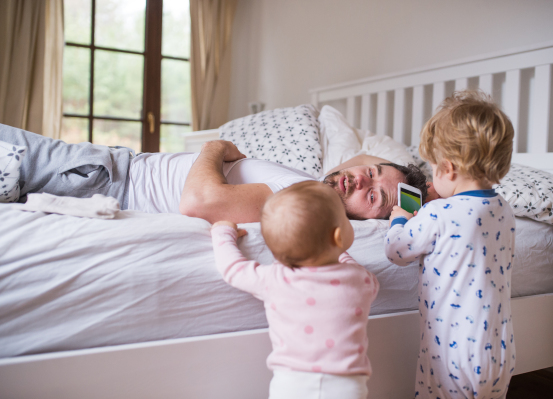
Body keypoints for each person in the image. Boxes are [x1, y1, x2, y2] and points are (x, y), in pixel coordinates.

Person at [0, 123, 430, 223]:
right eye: (370, 171)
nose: (359, 180)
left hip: (105, 178)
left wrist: (215, 148)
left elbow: (198, 202)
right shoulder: (312, 181)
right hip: (109, 168)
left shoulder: (303, 200)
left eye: (372, 196)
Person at [384, 90, 516, 398]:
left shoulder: (437, 212)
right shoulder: (504, 210)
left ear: (448, 168)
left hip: (452, 349)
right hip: (499, 346)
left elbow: (397, 250)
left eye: (432, 168)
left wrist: (400, 219)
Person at [210, 180, 379, 399]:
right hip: (347, 387)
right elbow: (362, 277)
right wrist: (339, 254)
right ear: (338, 237)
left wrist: (223, 232)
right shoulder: (360, 280)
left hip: (290, 384)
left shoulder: (275, 279)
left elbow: (232, 269)